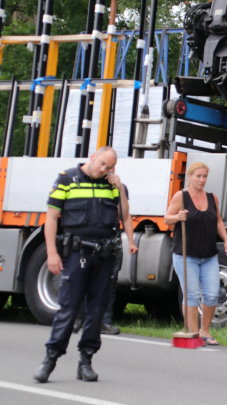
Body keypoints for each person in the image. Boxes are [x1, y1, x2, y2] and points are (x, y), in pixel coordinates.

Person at [33, 146, 138, 383]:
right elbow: (51, 217)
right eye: (102, 164)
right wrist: (52, 252)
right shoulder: (67, 179)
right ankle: (49, 360)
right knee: (68, 309)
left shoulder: (113, 186)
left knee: (97, 310)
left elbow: (125, 215)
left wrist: (120, 189)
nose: (105, 170)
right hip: (76, 253)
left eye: (110, 167)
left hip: (104, 256)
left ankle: (86, 361)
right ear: (93, 157)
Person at [164, 161, 227, 346]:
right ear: (190, 176)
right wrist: (177, 217)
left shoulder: (212, 198)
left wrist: (226, 239)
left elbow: (218, 220)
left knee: (211, 294)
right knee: (192, 294)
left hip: (209, 255)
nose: (202, 180)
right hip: (186, 256)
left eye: (204, 176)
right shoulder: (181, 196)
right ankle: (193, 333)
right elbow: (166, 219)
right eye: (198, 176)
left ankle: (205, 331)